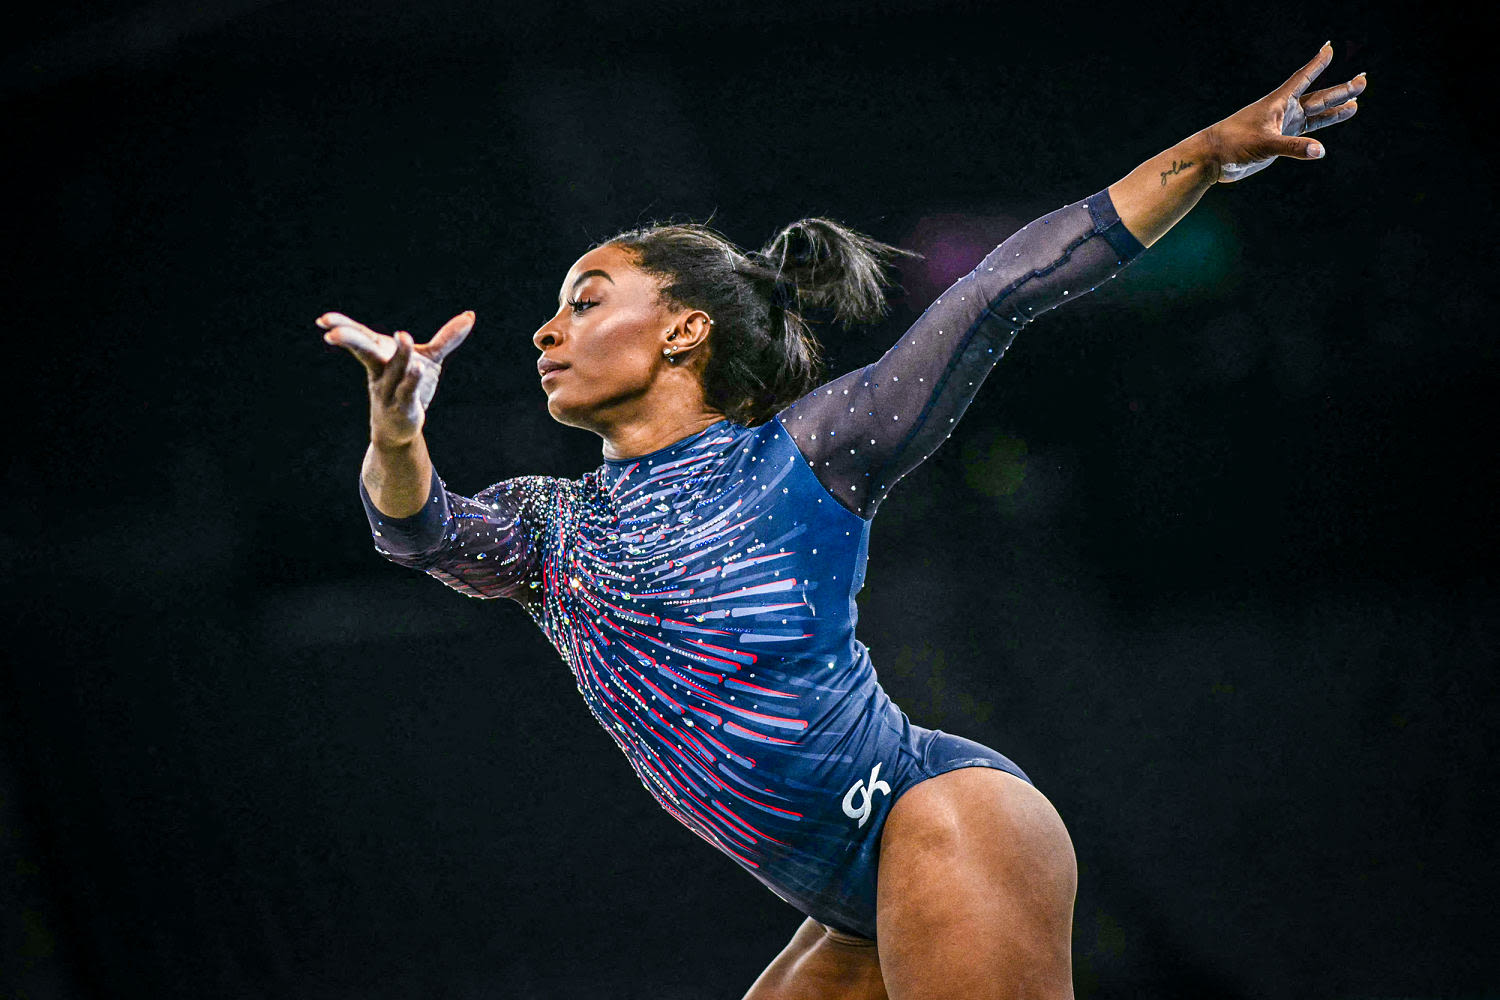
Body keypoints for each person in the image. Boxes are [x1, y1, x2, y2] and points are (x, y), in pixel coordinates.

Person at [319, 42, 1364, 1000]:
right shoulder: (552, 527)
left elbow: (1001, 288)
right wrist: (399, 426)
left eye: (587, 299)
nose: (549, 327)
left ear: (684, 328)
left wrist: (1206, 155)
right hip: (850, 903)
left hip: (941, 819)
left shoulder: (806, 454)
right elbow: (420, 536)